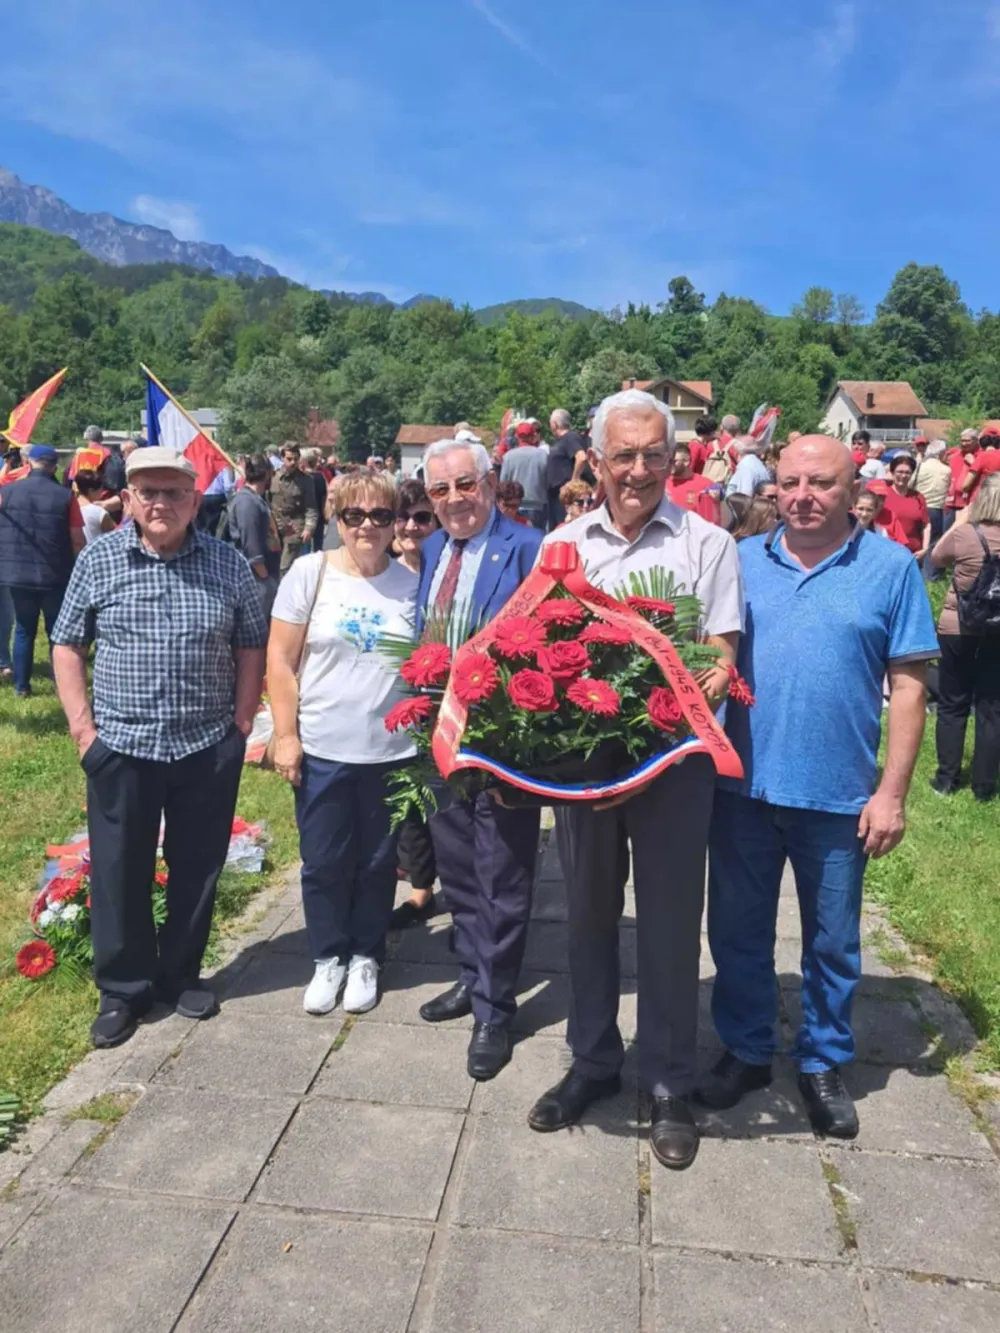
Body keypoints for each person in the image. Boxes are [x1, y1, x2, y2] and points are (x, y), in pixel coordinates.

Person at [528, 389, 743, 1172]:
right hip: (585, 768)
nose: (641, 469)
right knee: (586, 915)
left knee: (670, 923)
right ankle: (592, 1060)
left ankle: (668, 1080)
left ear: (674, 457)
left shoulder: (707, 543)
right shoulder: (564, 543)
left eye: (656, 453)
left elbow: (721, 652)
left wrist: (677, 702)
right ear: (596, 459)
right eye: (625, 454)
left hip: (674, 764)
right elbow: (535, 642)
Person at [702, 435, 937, 1139]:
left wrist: (891, 792)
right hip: (741, 788)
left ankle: (823, 1059)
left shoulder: (890, 568)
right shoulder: (740, 560)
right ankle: (746, 1048)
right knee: (736, 931)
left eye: (822, 483)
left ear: (853, 489)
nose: (803, 496)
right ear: (773, 487)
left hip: (837, 795)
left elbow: (909, 686)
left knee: (832, 942)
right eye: (791, 482)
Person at [51, 446, 267, 1048]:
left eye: (174, 492)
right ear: (128, 498)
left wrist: (242, 723)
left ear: (195, 501)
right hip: (121, 745)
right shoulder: (98, 560)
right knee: (120, 870)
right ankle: (123, 989)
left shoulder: (226, 563)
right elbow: (66, 644)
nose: (161, 503)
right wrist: (84, 732)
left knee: (197, 866)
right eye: (148, 492)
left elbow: (251, 643)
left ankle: (180, 976)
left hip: (206, 745)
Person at [416, 437, 544, 1079]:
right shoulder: (432, 550)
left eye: (465, 484)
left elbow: (546, 637)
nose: (455, 499)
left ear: (490, 484)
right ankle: (473, 975)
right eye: (440, 490)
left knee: (502, 876)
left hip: (502, 743)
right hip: (440, 740)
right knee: (459, 871)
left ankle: (495, 1010)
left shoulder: (527, 547)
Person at [269, 469, 417, 1016]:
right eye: (355, 515)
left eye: (380, 515)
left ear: (395, 521)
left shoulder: (411, 583)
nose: (367, 527)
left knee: (378, 862)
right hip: (324, 746)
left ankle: (366, 955)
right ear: (337, 517)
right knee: (323, 860)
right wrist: (286, 735)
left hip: (390, 750)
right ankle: (328, 956)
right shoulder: (310, 573)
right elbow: (280, 660)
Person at [928, 475, 1000, 802]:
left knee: (952, 704)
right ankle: (984, 786)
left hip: (958, 626)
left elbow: (935, 558)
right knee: (991, 707)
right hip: (996, 630)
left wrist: (959, 521)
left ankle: (947, 779)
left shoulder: (965, 533)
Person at [389, 478, 441, 929]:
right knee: (408, 795)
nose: (410, 526)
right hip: (397, 701)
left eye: (422, 517)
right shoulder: (383, 574)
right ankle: (420, 887)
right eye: (401, 517)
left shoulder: (445, 570)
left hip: (443, 698)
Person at [0, 444, 85, 697]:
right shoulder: (66, 496)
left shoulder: (7, 491)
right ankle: (61, 683)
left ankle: (21, 687)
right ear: (54, 467)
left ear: (29, 464)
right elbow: (77, 539)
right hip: (55, 573)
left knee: (24, 629)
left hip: (17, 572)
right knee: (56, 631)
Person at [229, 455, 282, 617]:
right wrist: (265, 579)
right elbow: (251, 546)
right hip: (257, 580)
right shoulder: (247, 503)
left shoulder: (257, 499)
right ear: (266, 474)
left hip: (265, 574)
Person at [271, 443, 318, 576]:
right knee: (273, 564)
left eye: (295, 459)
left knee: (285, 566)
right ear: (282, 458)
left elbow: (311, 508)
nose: (293, 462)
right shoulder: (273, 477)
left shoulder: (306, 480)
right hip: (275, 525)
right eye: (289, 459)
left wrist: (309, 528)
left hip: (294, 526)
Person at [500, 421, 548, 529]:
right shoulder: (543, 455)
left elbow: (503, 484)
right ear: (533, 436)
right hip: (538, 506)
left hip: (514, 506)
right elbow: (548, 481)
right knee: (537, 536)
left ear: (517, 437)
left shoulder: (508, 456)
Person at [880, 454, 930, 557]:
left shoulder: (918, 497)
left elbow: (926, 525)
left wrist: (925, 548)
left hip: (913, 554)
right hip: (887, 551)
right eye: (900, 472)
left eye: (907, 472)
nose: (903, 476)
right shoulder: (882, 495)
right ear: (892, 473)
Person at [915, 440, 951, 581]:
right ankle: (931, 575)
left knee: (917, 539)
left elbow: (911, 484)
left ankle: (916, 572)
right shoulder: (946, 470)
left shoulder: (919, 466)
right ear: (941, 453)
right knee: (933, 541)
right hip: (936, 508)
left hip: (918, 505)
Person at [546, 409, 588, 527]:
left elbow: (581, 457)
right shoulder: (559, 441)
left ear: (555, 424)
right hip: (555, 496)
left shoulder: (570, 437)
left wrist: (573, 481)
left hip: (565, 495)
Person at [666, 442, 721, 523]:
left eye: (674, 461)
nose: (669, 465)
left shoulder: (705, 485)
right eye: (668, 461)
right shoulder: (662, 483)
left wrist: (718, 493)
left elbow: (712, 520)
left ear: (686, 462)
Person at [944, 429, 980, 529]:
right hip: (951, 503)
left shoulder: (981, 456)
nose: (964, 443)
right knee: (947, 533)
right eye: (962, 440)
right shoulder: (955, 457)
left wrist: (974, 463)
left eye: (967, 441)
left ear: (976, 441)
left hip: (970, 504)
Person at [74, 469, 116, 544]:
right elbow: (115, 534)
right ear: (91, 491)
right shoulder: (98, 512)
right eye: (100, 490)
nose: (102, 493)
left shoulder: (70, 508)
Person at [299, 449, 329, 552]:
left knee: (305, 545)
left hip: (305, 515)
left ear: (304, 462)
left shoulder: (302, 478)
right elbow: (324, 497)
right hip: (319, 514)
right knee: (318, 546)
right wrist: (325, 514)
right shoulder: (321, 476)